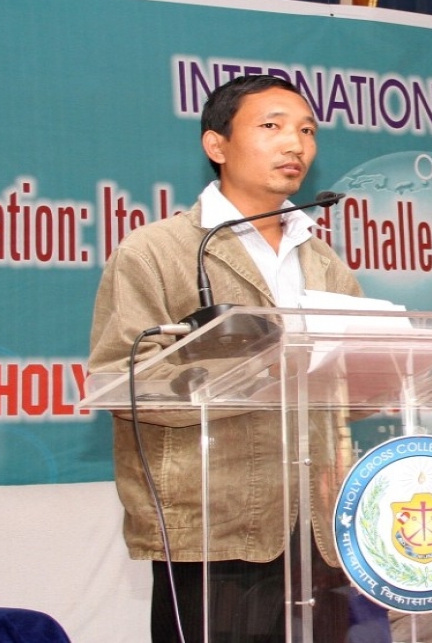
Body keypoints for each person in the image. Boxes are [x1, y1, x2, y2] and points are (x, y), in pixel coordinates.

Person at [88, 74, 364, 643]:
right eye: (272, 126)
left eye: (307, 131)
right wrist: (261, 372)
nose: (295, 144)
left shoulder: (323, 261)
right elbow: (123, 381)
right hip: (216, 525)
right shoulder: (156, 251)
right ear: (217, 145)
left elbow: (353, 388)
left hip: (319, 528)